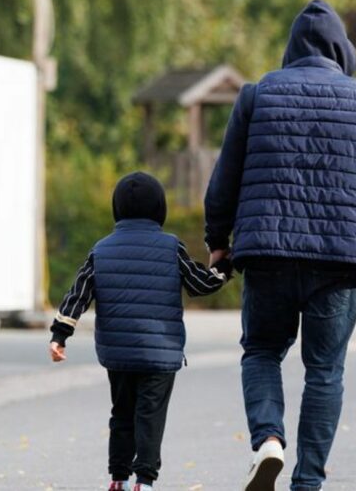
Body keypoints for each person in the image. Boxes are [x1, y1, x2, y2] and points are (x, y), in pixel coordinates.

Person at [203, 0, 356, 491]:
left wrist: (217, 242)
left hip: (268, 251)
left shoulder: (257, 95)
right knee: (325, 371)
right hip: (341, 257)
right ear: (344, 50)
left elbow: (224, 180)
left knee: (262, 351)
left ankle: (268, 440)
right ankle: (308, 481)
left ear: (291, 48)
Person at [48, 172, 232, 491]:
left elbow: (78, 293)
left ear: (116, 209)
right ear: (160, 209)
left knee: (121, 413)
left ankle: (118, 478)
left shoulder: (101, 249)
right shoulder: (171, 247)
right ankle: (144, 481)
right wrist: (226, 268)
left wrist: (60, 334)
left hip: (117, 353)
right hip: (160, 352)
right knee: (150, 415)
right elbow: (200, 284)